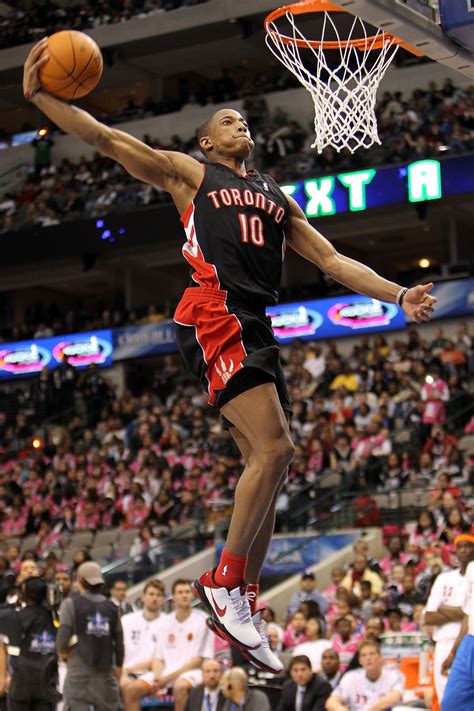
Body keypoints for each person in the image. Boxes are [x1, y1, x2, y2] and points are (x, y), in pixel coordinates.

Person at [22, 39, 436, 674]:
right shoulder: (190, 173)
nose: (238, 121)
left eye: (244, 119)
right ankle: (223, 581)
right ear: (207, 143)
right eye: (225, 120)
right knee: (277, 450)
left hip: (255, 322)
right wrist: (43, 97)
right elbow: (106, 139)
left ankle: (239, 591)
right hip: (215, 310)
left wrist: (399, 293)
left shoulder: (274, 194)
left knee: (269, 473)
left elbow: (330, 261)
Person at [123, 579, 213, 711]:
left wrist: (168, 678)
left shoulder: (202, 620)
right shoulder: (166, 622)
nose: (184, 595)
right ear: (173, 597)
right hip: (166, 672)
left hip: (191, 673)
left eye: (187, 592)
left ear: (192, 595)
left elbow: (199, 660)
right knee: (132, 690)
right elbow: (159, 658)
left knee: (179, 687)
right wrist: (158, 675)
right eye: (180, 592)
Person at [56, 561, 124, 711]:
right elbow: (119, 644)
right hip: (106, 677)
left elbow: (62, 641)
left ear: (79, 579)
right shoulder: (112, 608)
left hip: (78, 676)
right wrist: (118, 669)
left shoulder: (70, 604)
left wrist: (63, 654)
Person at [424, 535, 474, 704]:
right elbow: (429, 616)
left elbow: (467, 614)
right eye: (460, 547)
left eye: (468, 546)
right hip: (444, 643)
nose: (464, 550)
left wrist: (443, 608)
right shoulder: (444, 578)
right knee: (448, 699)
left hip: (467, 640)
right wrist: (458, 612)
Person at [0, 576, 59, 711]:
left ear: (24, 594)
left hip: (21, 684)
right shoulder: (55, 618)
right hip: (46, 685)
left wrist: (3, 676)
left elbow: (3, 647)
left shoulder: (14, 617)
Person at [440, 534, 474, 710]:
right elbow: (469, 613)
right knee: (451, 704)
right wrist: (454, 652)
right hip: (469, 642)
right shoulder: (471, 570)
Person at [326, 640, 405, 711]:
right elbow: (331, 702)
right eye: (364, 655)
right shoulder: (351, 677)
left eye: (372, 654)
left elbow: (395, 697)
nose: (368, 658)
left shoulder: (394, 674)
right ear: (360, 661)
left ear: (380, 658)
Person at [120, 579, 167, 695]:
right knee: (124, 685)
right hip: (126, 673)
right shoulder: (127, 620)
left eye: (159, 595)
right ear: (143, 597)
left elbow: (164, 657)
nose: (154, 598)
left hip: (154, 673)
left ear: (163, 600)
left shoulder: (169, 623)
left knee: (133, 689)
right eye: (151, 594)